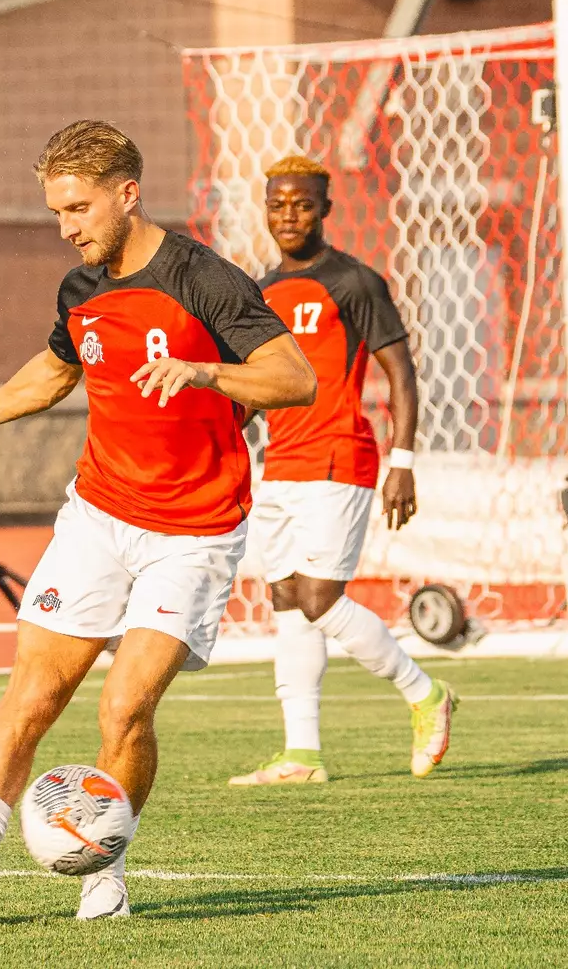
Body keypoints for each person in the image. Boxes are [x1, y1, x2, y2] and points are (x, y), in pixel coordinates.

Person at [0, 121, 316, 923]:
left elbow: (295, 378)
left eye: (78, 209)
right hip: (99, 515)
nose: (66, 228)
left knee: (124, 708)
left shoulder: (204, 279)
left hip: (196, 529)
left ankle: (104, 872)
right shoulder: (81, 289)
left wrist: (206, 372)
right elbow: (58, 368)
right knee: (33, 694)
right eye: (57, 213)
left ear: (127, 195)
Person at [228, 155, 457, 788]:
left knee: (319, 598)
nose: (289, 215)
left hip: (340, 457)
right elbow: (258, 386)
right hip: (280, 464)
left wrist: (403, 462)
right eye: (278, 204)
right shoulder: (260, 292)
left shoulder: (355, 282)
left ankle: (425, 693)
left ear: (325, 209)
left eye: (303, 204)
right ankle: (302, 753)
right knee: (286, 602)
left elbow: (401, 372)